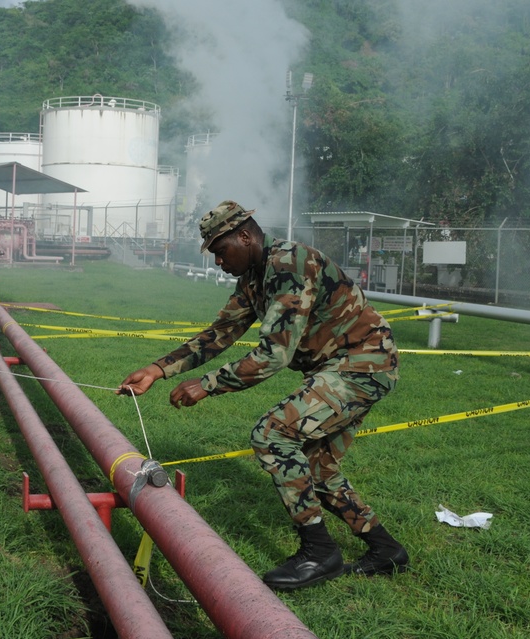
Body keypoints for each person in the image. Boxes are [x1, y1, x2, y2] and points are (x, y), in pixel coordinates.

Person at [118, 200, 408, 591]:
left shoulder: (290, 265)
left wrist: (206, 385)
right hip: (340, 368)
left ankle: (319, 553)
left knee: (273, 434)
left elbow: (275, 354)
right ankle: (386, 550)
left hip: (362, 364)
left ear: (245, 235)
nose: (219, 261)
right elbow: (220, 333)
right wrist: (158, 369)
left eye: (222, 251)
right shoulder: (255, 276)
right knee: (318, 469)